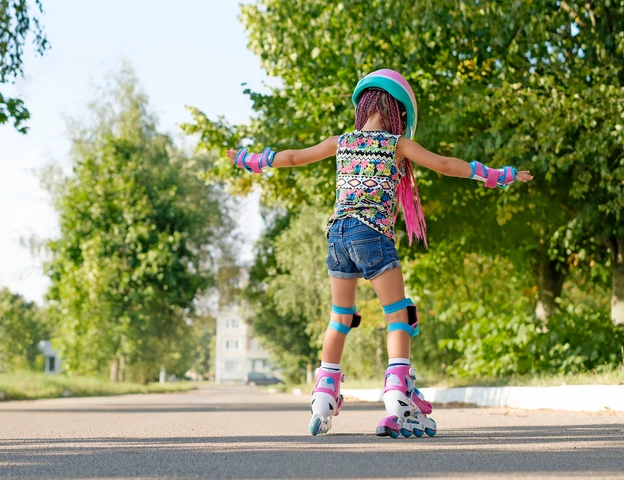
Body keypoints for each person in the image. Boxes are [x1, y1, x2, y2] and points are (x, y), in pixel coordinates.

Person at [226, 69, 533, 438]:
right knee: (399, 314)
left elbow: (291, 158)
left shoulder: (341, 141)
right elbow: (446, 165)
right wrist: (498, 175)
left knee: (340, 317)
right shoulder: (397, 144)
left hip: (337, 234)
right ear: (398, 113)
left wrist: (250, 159)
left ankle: (323, 398)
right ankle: (397, 394)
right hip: (371, 232)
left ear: (364, 107)